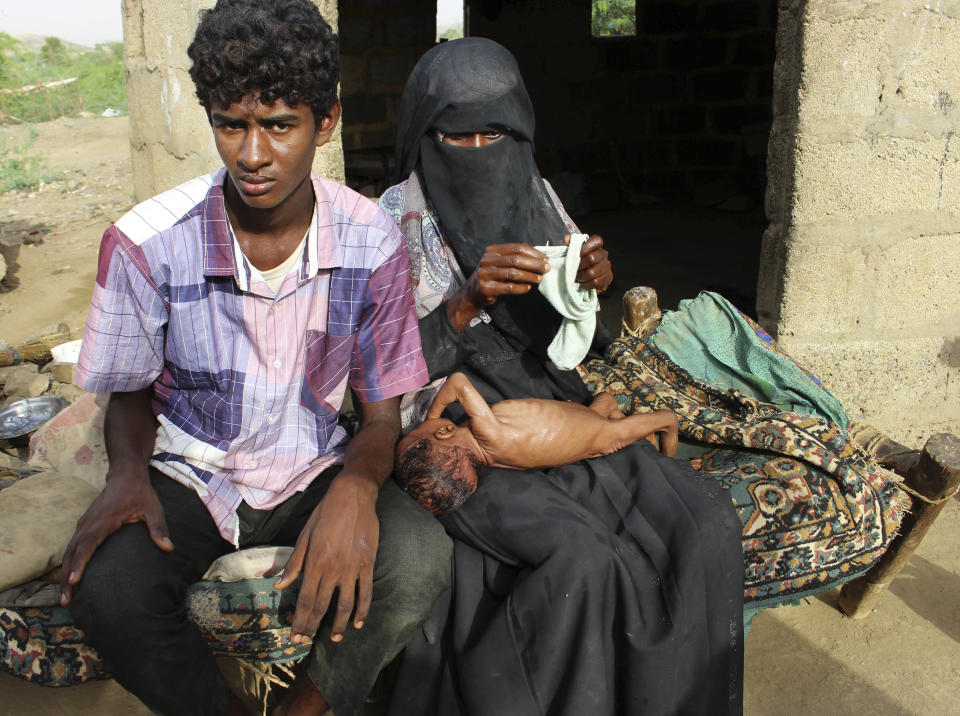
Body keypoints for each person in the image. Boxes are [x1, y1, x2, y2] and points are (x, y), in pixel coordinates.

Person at [59, 2, 451, 714]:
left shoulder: (371, 241)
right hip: (195, 469)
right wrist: (124, 474)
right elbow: (131, 391)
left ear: (325, 122)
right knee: (107, 591)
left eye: (279, 126)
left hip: (313, 464)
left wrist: (355, 492)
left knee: (420, 560)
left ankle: (308, 706)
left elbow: (381, 414)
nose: (252, 154)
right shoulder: (146, 243)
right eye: (231, 124)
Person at [379, 38, 745, 716]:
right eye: (461, 137)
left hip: (553, 400)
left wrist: (591, 281)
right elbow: (380, 373)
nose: (483, 149)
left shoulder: (537, 193)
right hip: (467, 428)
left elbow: (573, 330)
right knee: (580, 557)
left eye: (499, 133)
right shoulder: (390, 222)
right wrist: (465, 303)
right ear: (425, 136)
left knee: (704, 521)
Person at [396, 371, 679, 515]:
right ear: (445, 432)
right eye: (418, 429)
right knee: (665, 419)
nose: (422, 422)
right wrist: (433, 416)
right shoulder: (489, 433)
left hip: (585, 420)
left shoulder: (495, 460)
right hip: (598, 435)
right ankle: (670, 468)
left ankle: (645, 447)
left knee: (606, 403)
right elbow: (458, 381)